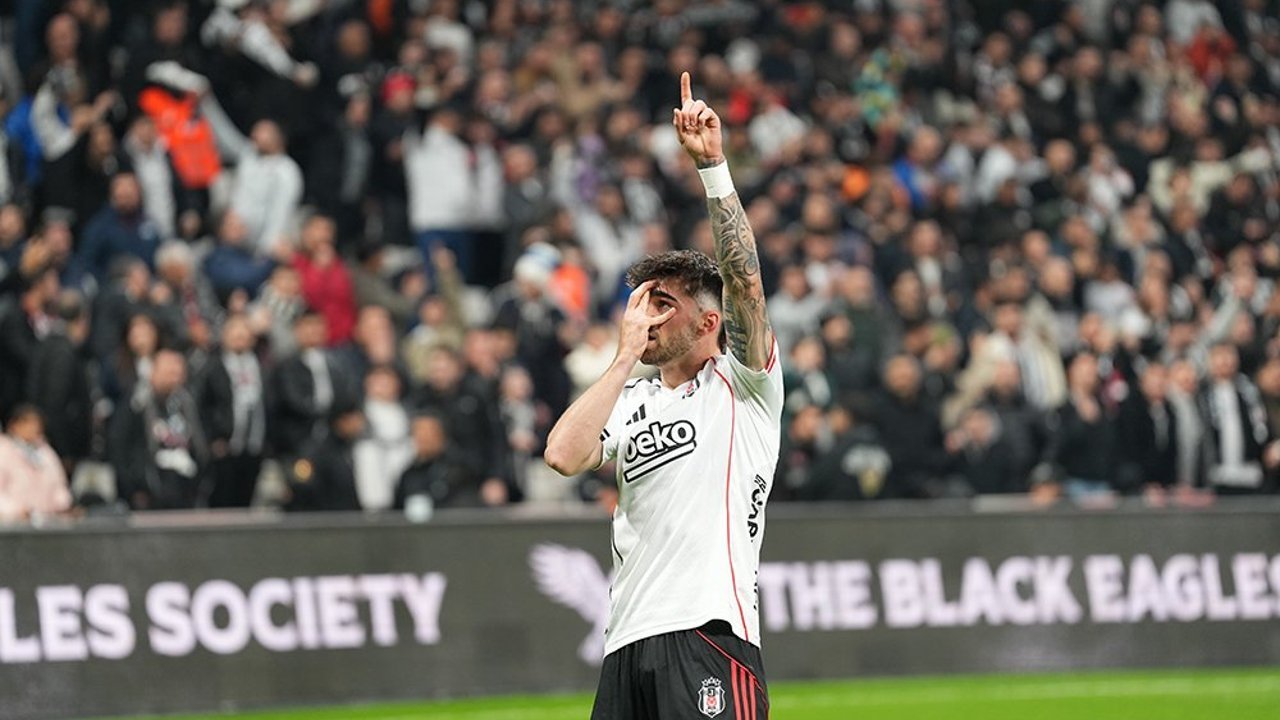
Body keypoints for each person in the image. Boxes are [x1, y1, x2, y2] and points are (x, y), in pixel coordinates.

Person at [545, 73, 779, 720]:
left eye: (664, 304)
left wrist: (712, 169)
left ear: (708, 323)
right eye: (642, 303)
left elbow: (745, 283)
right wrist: (623, 356)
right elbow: (562, 455)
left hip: (708, 634)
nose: (647, 316)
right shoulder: (630, 401)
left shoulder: (744, 385)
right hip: (625, 645)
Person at [0, 406, 73, 523]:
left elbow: (59, 485)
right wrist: (16, 511)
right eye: (28, 423)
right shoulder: (3, 450)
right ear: (15, 425)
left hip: (46, 520)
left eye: (36, 423)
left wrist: (63, 505)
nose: (34, 428)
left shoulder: (45, 452)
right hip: (12, 522)